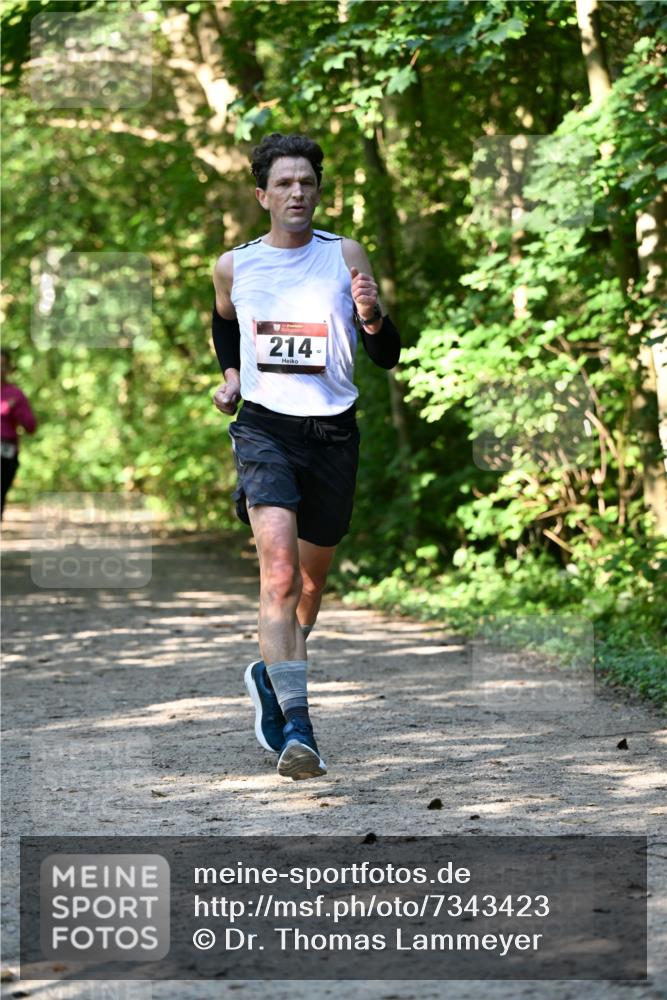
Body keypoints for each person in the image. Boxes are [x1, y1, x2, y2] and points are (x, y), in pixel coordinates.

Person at [211, 133, 400, 781]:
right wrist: (232, 375)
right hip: (264, 430)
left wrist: (372, 318)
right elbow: (223, 324)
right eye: (284, 184)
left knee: (312, 587)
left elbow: (385, 355)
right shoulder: (234, 266)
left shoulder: (343, 255)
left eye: (307, 183)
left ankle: (272, 670)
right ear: (262, 195)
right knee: (281, 576)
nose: (297, 192)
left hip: (333, 435)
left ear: (318, 190)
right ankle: (299, 729)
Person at [1, 349, 37, 518]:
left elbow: (31, 426)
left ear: (8, 368)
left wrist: (14, 409)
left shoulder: (15, 395)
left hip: (6, 453)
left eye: (2, 365)